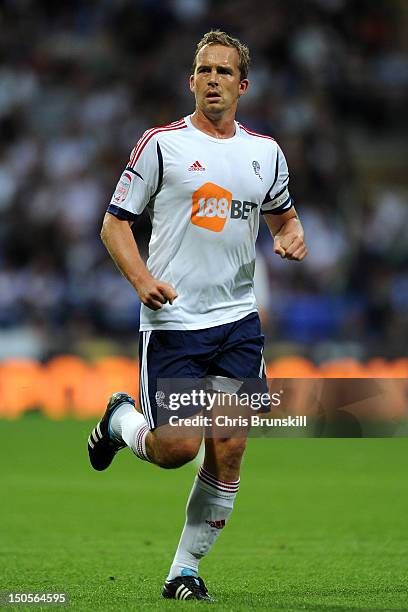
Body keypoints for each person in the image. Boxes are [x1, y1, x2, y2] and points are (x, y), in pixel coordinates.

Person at [88, 30, 307, 601]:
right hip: (175, 323)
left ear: (243, 85)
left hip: (238, 321)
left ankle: (182, 572)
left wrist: (292, 235)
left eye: (224, 72)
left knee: (229, 448)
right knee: (176, 449)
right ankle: (120, 421)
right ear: (191, 81)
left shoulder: (266, 154)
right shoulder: (160, 145)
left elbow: (284, 218)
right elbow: (115, 224)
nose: (214, 80)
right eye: (204, 71)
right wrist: (142, 281)